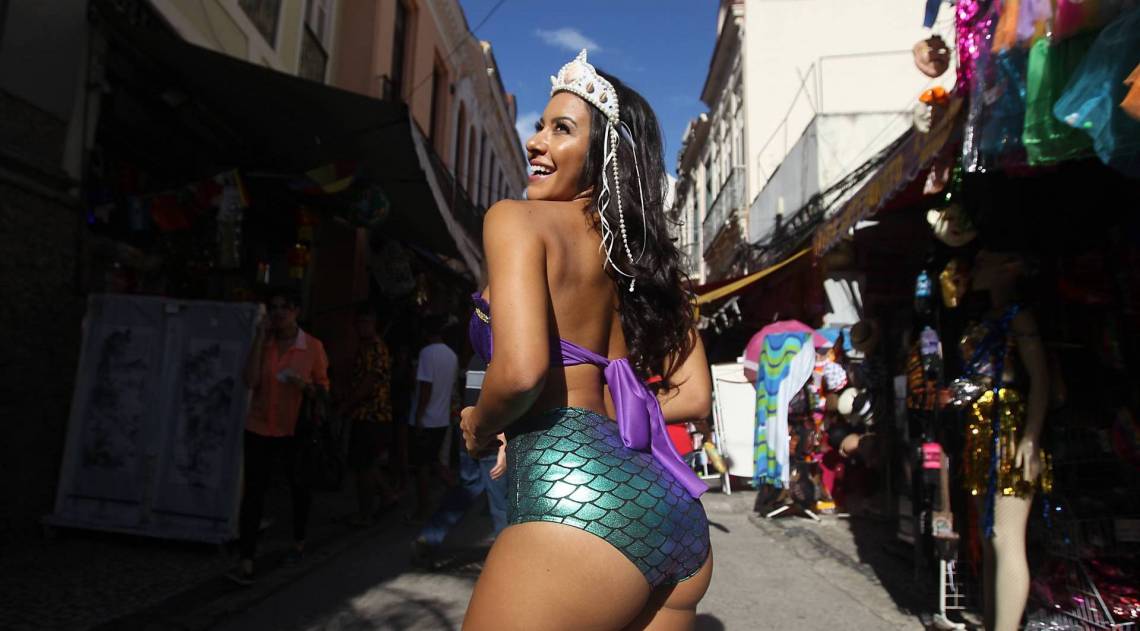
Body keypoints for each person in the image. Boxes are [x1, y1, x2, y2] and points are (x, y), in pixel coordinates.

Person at [459, 50, 713, 630]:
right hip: (670, 510)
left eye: (562, 129)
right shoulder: (644, 264)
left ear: (604, 155)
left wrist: (481, 424)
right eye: (539, 126)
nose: (535, 142)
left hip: (576, 501)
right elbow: (696, 395)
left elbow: (521, 373)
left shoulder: (515, 220)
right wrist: (597, 419)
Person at [230, 288, 330, 586]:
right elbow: (249, 380)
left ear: (296, 311)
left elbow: (323, 390)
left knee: (298, 486)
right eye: (273, 308)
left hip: (294, 428)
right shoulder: (265, 343)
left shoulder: (312, 347)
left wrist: (305, 387)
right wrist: (259, 338)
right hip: (259, 426)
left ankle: (298, 541)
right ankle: (246, 559)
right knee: (254, 492)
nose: (277, 313)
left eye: (283, 307)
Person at [411, 355, 508, 567]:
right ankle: (507, 563)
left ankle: (429, 537)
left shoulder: (476, 358)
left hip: (470, 436)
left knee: (469, 487)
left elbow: (472, 399)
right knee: (502, 503)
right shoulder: (498, 357)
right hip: (490, 439)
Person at [339, 305, 398, 527]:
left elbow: (369, 383)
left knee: (364, 467)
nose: (362, 327)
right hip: (364, 414)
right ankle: (387, 495)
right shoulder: (364, 347)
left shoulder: (376, 349)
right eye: (359, 323)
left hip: (373, 415)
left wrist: (346, 405)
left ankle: (365, 514)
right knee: (366, 465)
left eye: (367, 323)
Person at [407, 315, 459, 524]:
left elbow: (425, 389)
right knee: (434, 461)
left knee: (422, 466)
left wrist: (418, 417)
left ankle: (423, 509)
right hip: (442, 418)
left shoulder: (427, 354)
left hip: (427, 419)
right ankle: (456, 493)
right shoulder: (451, 355)